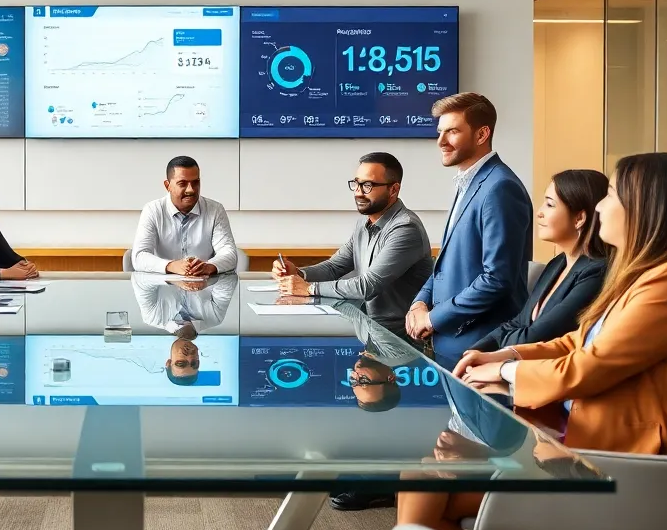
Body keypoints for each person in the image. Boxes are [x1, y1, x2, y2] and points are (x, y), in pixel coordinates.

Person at [375, 152, 667, 530]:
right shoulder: (648, 276)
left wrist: (502, 373)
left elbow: (589, 366)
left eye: (610, 194)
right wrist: (508, 355)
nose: (599, 207)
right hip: (570, 437)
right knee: (424, 477)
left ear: (648, 208)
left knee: (428, 484)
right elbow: (579, 340)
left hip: (608, 462)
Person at [407, 93, 532, 369]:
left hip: (480, 348)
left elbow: (497, 279)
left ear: (481, 134)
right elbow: (445, 264)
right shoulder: (470, 182)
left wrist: (434, 318)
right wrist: (419, 303)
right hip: (452, 344)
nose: (440, 141)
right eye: (440, 131)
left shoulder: (500, 187)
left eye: (452, 131)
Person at [271, 152, 433, 336]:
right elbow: (334, 267)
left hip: (402, 338)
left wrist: (309, 288)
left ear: (393, 190)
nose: (358, 192)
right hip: (370, 329)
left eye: (368, 185)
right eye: (356, 183)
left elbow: (367, 286)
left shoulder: (405, 228)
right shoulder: (364, 224)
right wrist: (299, 273)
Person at [473, 169, 610, 352]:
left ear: (579, 218)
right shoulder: (557, 263)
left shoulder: (596, 272)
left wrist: (491, 351)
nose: (539, 213)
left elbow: (536, 337)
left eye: (550, 205)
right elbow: (518, 322)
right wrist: (475, 350)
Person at [131, 155, 238, 276]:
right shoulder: (153, 210)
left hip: (204, 290)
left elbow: (229, 254)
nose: (191, 190)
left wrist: (208, 267)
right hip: (164, 291)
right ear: (168, 186)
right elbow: (139, 257)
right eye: (182, 183)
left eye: (195, 182)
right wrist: (171, 266)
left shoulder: (215, 210)